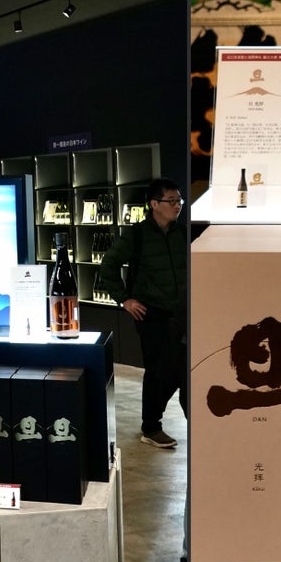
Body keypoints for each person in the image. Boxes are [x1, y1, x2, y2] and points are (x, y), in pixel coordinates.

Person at [103, 177, 187, 450]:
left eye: (179, 200)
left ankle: (173, 420)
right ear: (154, 204)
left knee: (180, 369)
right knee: (157, 370)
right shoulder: (137, 235)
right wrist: (124, 300)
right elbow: (108, 265)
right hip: (150, 314)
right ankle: (151, 427)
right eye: (171, 201)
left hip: (181, 313)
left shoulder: (183, 233)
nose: (177, 205)